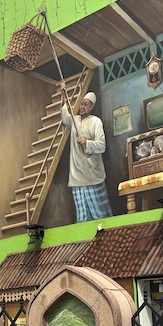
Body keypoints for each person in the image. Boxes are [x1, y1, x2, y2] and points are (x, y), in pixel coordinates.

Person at [60, 82, 113, 222]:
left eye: (86, 104)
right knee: (83, 217)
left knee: (100, 216)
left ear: (91, 107)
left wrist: (87, 142)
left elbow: (101, 145)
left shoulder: (96, 122)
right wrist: (64, 95)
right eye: (82, 104)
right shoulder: (74, 121)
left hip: (93, 176)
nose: (82, 107)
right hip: (77, 176)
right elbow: (65, 116)